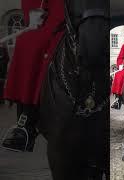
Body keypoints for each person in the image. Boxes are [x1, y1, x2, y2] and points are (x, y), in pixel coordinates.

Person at [1, 0, 65, 152]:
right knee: (27, 42)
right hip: (53, 21)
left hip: (84, 15)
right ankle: (26, 122)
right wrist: (34, 16)